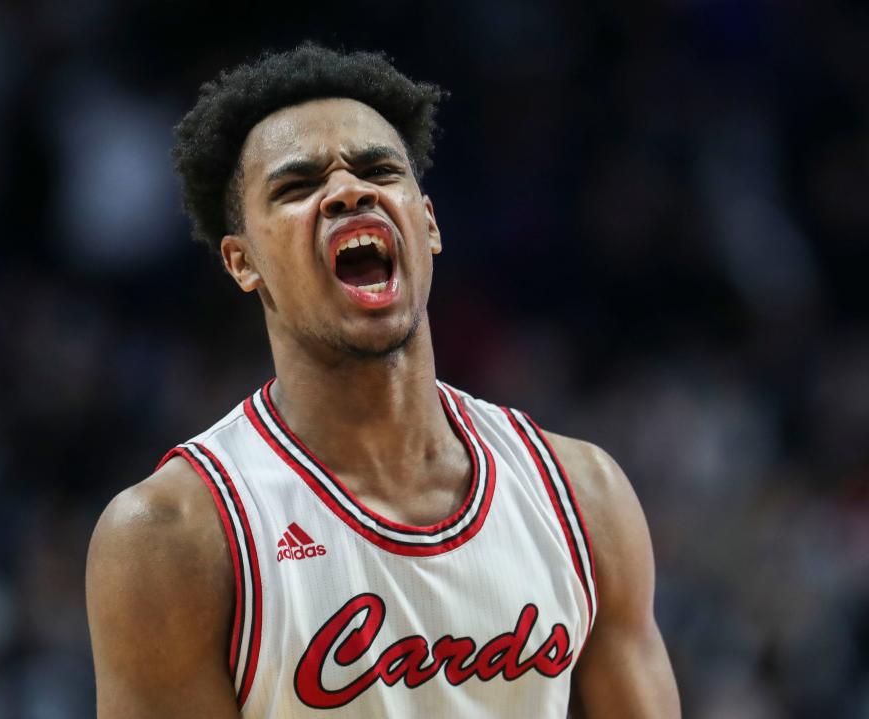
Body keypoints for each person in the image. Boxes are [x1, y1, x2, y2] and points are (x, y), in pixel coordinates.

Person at [86, 43, 681, 718]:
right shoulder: (174, 535)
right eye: (298, 185)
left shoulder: (581, 494)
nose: (348, 190)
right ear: (241, 261)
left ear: (427, 223)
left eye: (377, 169)